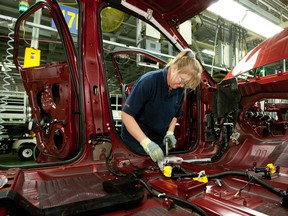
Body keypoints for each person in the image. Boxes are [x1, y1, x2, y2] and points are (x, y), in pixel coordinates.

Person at [121, 49, 202, 162]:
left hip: (157, 140)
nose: (182, 85)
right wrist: (146, 143)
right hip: (136, 140)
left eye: (186, 84)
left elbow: (175, 115)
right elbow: (126, 115)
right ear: (174, 69)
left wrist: (170, 132)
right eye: (182, 80)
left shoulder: (180, 90)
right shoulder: (149, 81)